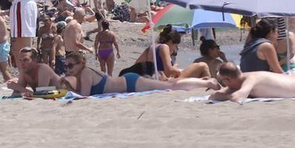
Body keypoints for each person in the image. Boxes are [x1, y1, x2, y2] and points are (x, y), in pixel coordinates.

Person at [61, 50, 216, 96]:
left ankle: (208, 82)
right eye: (66, 66)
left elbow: (85, 96)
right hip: (128, 83)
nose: (68, 69)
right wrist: (69, 86)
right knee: (169, 84)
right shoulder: (84, 73)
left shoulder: (85, 73)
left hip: (130, 83)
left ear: (81, 63)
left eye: (71, 65)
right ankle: (203, 81)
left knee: (171, 85)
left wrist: (69, 89)